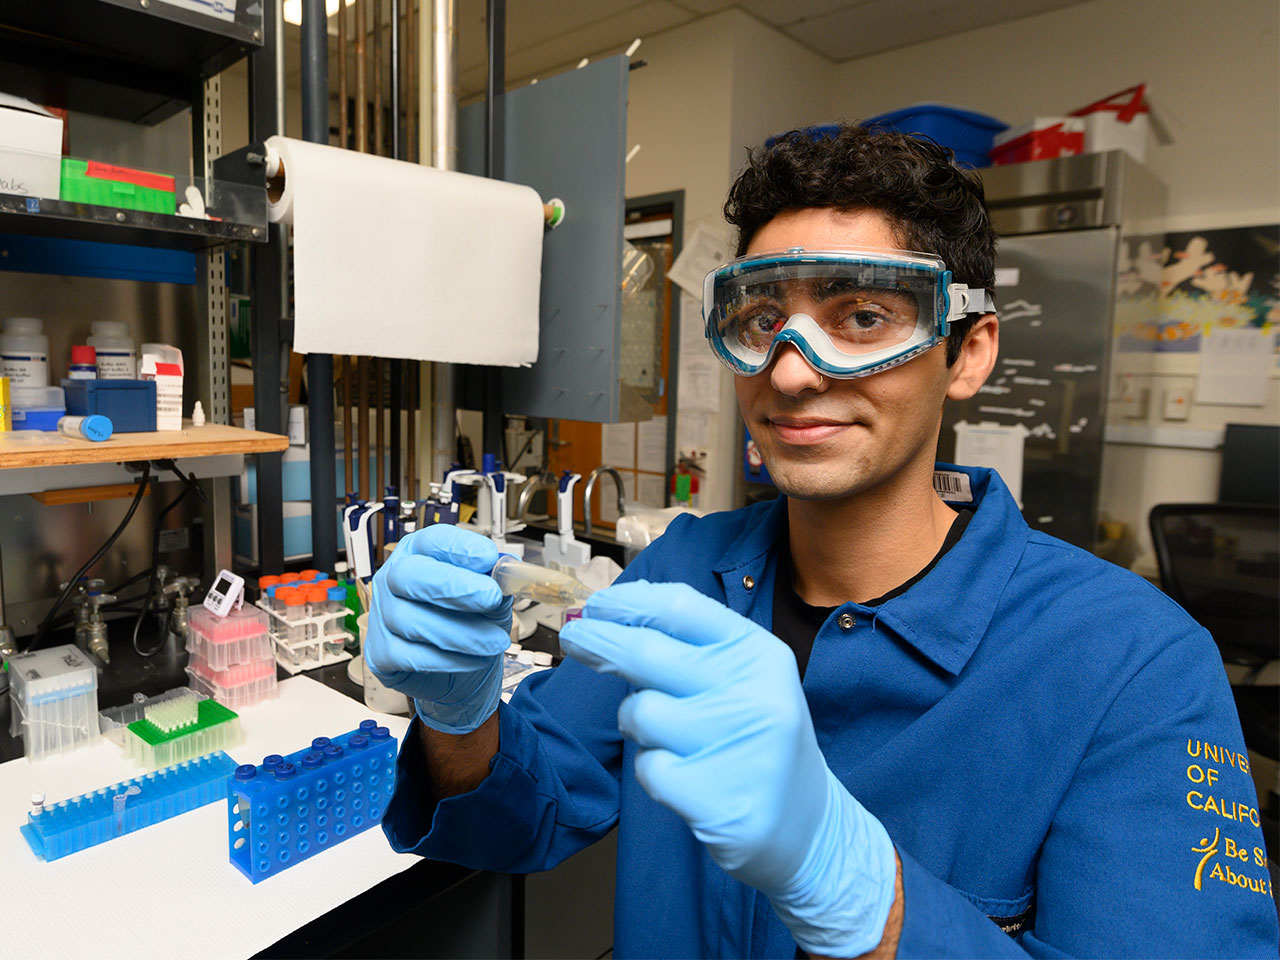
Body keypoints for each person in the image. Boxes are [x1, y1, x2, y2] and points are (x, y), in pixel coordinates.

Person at [365, 124, 1279, 958]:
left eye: (863, 317)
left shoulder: (1134, 666)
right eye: (764, 321)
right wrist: (458, 716)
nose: (794, 371)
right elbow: (522, 820)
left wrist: (862, 892)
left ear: (967, 352)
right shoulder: (686, 570)